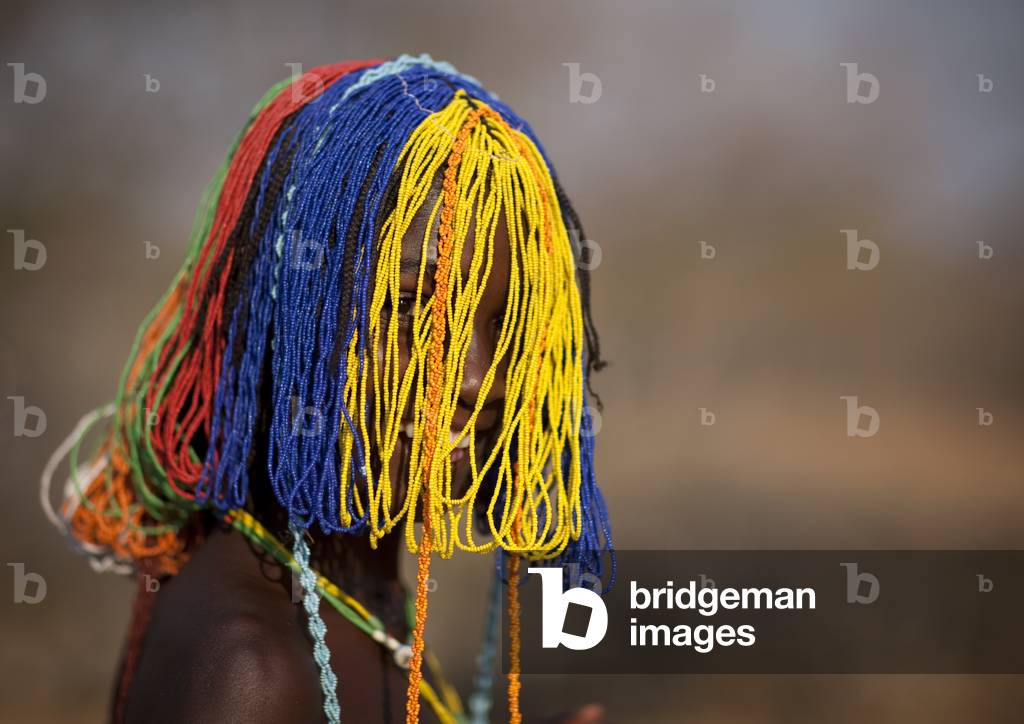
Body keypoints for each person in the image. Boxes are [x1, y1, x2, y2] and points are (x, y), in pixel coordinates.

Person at [42, 55, 612, 723]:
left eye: (504, 320)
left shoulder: (358, 592)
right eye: (408, 308)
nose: (479, 377)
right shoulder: (252, 674)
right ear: (292, 316)